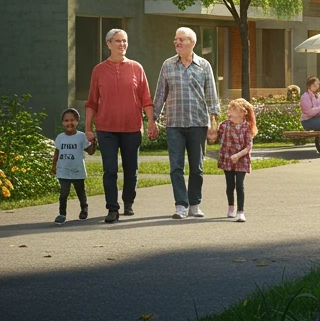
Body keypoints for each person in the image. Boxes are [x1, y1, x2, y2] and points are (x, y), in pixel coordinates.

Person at [84, 28, 155, 224]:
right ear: (108, 44)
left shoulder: (136, 68)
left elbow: (146, 99)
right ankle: (112, 208)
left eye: (124, 41)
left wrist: (151, 123)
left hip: (132, 128)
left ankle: (128, 202)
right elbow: (91, 102)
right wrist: (88, 129)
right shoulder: (98, 70)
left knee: (131, 170)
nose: (122, 45)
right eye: (117, 41)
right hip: (106, 128)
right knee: (110, 170)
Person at [153, 26, 221, 220]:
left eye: (182, 39)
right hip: (174, 123)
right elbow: (160, 94)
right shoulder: (167, 65)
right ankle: (180, 205)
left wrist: (214, 123)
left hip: (198, 123)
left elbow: (211, 95)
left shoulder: (204, 66)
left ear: (192, 42)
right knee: (176, 166)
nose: (177, 42)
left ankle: (194, 204)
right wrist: (152, 119)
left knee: (197, 167)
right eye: (176, 39)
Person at [52, 108, 96, 225]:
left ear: (77, 121)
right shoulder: (60, 137)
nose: (69, 123)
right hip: (63, 171)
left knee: (80, 191)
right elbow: (57, 153)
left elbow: (90, 152)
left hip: (77, 170)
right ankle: (62, 214)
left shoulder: (81, 137)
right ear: (62, 122)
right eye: (66, 120)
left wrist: (93, 141)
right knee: (63, 193)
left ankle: (84, 209)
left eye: (72, 120)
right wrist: (54, 166)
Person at [215, 98, 256, 222]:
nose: (229, 112)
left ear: (242, 112)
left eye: (232, 110)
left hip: (241, 160)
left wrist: (238, 155)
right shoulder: (224, 125)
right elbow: (216, 138)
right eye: (229, 109)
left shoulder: (246, 127)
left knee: (239, 185)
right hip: (227, 159)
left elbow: (249, 146)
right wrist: (211, 133)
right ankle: (231, 207)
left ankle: (241, 211)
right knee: (230, 185)